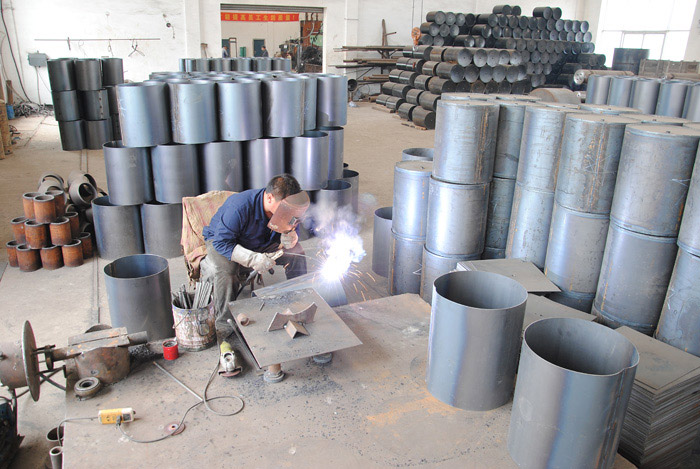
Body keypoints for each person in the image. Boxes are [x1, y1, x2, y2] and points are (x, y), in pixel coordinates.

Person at [201, 174, 307, 318]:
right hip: (225, 242)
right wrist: (252, 259)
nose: (289, 212)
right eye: (286, 208)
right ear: (269, 198)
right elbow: (221, 242)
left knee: (296, 253)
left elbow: (293, 225)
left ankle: (300, 299)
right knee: (228, 271)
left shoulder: (287, 207)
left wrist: (291, 236)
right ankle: (225, 323)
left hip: (260, 241)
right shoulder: (239, 207)